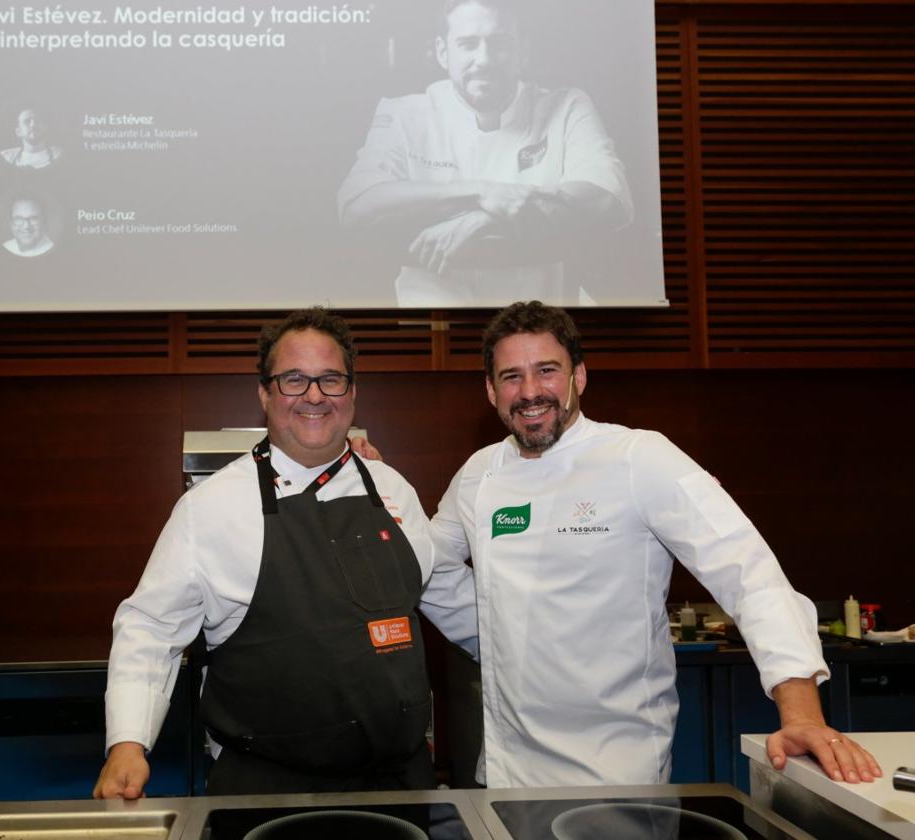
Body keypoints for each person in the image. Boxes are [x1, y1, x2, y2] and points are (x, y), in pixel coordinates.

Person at [428, 300, 882, 787]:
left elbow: (747, 571)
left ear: (579, 377)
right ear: (491, 390)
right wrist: (497, 638)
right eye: (512, 376)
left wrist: (802, 716)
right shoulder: (480, 474)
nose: (531, 391)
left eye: (547, 370)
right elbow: (427, 566)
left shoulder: (638, 457)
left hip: (618, 771)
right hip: (508, 772)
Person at [93, 307, 475, 799]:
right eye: (294, 380)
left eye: (330, 380)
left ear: (352, 393)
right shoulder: (211, 508)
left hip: (399, 786)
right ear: (265, 394)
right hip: (266, 793)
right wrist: (128, 743)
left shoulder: (392, 488)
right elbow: (150, 628)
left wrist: (536, 661)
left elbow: (449, 594)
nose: (314, 395)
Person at [337, 0, 632, 307]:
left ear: (523, 52)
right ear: (443, 52)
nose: (484, 59)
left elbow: (610, 199)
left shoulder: (567, 106)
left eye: (499, 44)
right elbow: (357, 205)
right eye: (468, 44)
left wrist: (484, 220)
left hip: (539, 321)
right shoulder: (404, 113)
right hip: (434, 322)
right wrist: (481, 193)